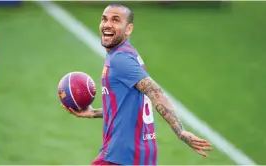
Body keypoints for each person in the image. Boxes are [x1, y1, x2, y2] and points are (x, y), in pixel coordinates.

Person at [62, 3, 212, 165]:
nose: (107, 24)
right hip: (139, 154)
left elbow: (156, 92)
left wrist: (181, 132)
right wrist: (94, 113)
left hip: (122, 154)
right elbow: (128, 107)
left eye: (115, 20)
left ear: (129, 29)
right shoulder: (128, 54)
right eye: (104, 19)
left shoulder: (121, 59)